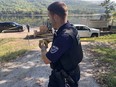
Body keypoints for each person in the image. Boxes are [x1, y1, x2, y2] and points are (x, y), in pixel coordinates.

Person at [39, 1, 83, 87]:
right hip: (73, 72)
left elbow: (46, 60)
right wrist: (51, 40)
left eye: (49, 17)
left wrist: (43, 48)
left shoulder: (63, 37)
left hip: (63, 79)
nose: (49, 20)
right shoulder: (72, 28)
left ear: (55, 17)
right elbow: (66, 43)